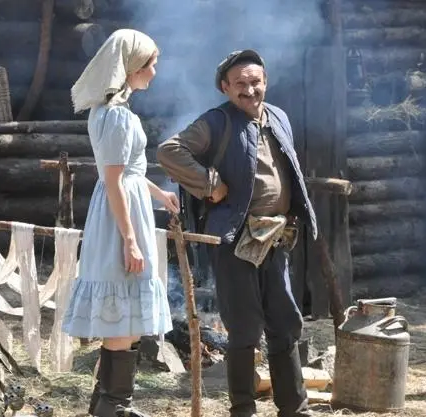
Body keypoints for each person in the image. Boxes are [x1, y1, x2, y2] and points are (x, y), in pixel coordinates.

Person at [157, 50, 318, 417]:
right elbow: (169, 152)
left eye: (255, 82)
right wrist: (209, 183)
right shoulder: (216, 122)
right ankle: (243, 409)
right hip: (235, 239)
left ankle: (295, 408)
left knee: (285, 322)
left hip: (276, 237)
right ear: (225, 88)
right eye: (240, 84)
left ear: (266, 82)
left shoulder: (278, 117)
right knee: (244, 327)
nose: (249, 90)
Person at [62, 29, 180, 417]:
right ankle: (115, 405)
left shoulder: (112, 113)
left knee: (126, 310)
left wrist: (159, 194)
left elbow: (128, 172)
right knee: (123, 312)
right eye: (150, 64)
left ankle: (105, 403)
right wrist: (130, 240)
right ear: (132, 67)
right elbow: (114, 180)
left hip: (124, 208)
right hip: (119, 219)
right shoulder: (115, 117)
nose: (154, 72)